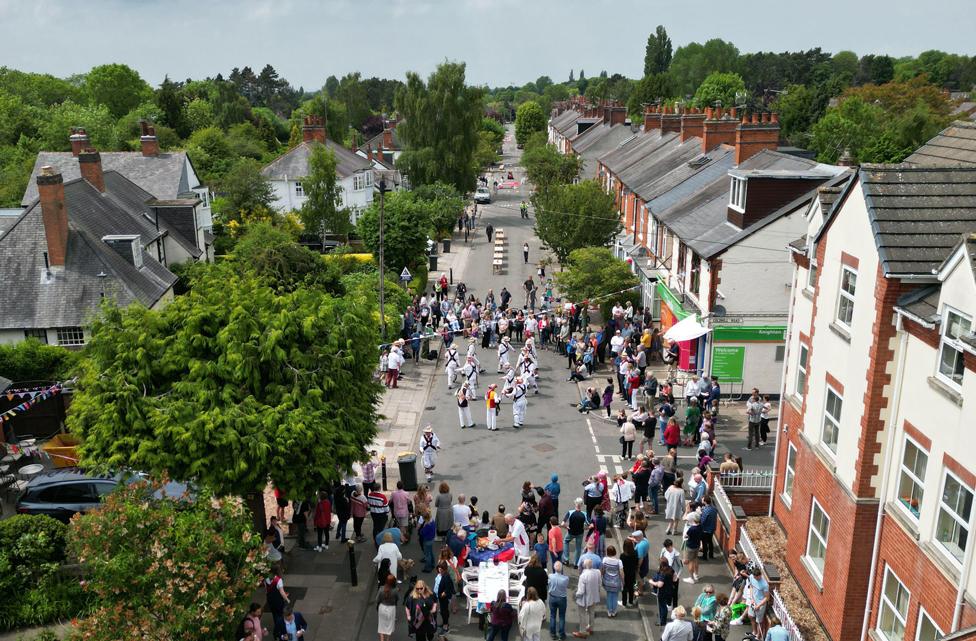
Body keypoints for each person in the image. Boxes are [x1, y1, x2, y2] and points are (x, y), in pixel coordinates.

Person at [573, 559, 601, 638]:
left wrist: (576, 595)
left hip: (584, 598)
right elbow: (599, 583)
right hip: (593, 596)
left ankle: (582, 632)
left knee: (582, 614)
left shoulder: (583, 576)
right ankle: (591, 628)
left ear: (584, 566)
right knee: (592, 612)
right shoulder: (597, 572)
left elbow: (581, 591)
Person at [649, 560, 676, 627]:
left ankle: (662, 621)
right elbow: (675, 579)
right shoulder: (670, 569)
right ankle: (662, 615)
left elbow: (660, 585)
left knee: (662, 606)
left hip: (662, 592)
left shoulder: (663, 573)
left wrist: (652, 582)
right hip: (669, 590)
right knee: (664, 605)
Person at [548, 561, 569, 641]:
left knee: (552, 616)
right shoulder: (566, 578)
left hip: (552, 597)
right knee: (562, 617)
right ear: (562, 568)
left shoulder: (550, 576)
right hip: (562, 599)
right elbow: (566, 586)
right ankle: (561, 634)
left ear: (554, 568)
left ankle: (553, 634)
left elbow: (548, 583)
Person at [433, 561, 456, 634]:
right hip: (438, 596)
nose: (440, 569)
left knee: (444, 611)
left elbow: (449, 587)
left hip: (443, 598)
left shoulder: (446, 576)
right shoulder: (440, 574)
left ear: (445, 568)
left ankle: (445, 626)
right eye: (439, 567)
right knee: (442, 611)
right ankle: (444, 623)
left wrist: (444, 593)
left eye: (441, 568)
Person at [748, 567, 770, 639]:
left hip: (760, 604)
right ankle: (754, 632)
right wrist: (751, 598)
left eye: (756, 577)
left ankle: (758, 636)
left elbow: (767, 598)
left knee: (759, 621)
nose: (755, 579)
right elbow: (751, 587)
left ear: (760, 575)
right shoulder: (751, 577)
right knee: (750, 616)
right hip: (753, 601)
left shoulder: (764, 584)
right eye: (754, 577)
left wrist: (759, 606)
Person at [601, 545, 623, 618]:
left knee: (609, 596)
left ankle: (609, 611)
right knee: (615, 596)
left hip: (607, 581)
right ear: (615, 552)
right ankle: (614, 611)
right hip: (616, 582)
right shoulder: (619, 562)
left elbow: (603, 570)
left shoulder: (605, 560)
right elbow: (621, 573)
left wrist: (602, 576)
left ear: (607, 552)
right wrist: (623, 581)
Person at [376, 575, 398, 641]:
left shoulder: (381, 589)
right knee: (390, 626)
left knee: (381, 626)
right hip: (391, 609)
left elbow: (377, 599)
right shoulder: (395, 590)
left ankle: (382, 639)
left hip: (382, 608)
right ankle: (387, 639)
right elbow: (397, 599)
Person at [620, 539, 638, 608]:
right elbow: (636, 563)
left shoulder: (623, 556)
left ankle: (624, 603)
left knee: (624, 589)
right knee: (631, 588)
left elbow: (621, 566)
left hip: (624, 574)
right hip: (632, 573)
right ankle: (630, 602)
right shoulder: (635, 553)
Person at [699, 496, 718, 561]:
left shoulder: (705, 510)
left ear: (705, 501)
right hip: (712, 528)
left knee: (704, 543)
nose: (702, 500)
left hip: (705, 529)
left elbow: (703, 521)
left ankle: (704, 556)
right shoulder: (714, 509)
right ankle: (711, 555)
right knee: (710, 541)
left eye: (702, 500)